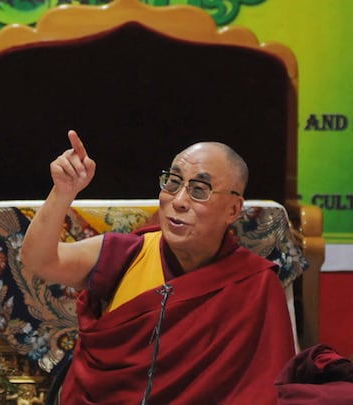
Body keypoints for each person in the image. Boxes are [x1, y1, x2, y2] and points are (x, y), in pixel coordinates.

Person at [21, 130, 296, 405]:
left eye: (199, 190)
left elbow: (266, 389)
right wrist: (63, 192)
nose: (178, 201)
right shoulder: (127, 254)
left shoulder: (255, 284)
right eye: (173, 183)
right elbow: (40, 261)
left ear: (233, 210)